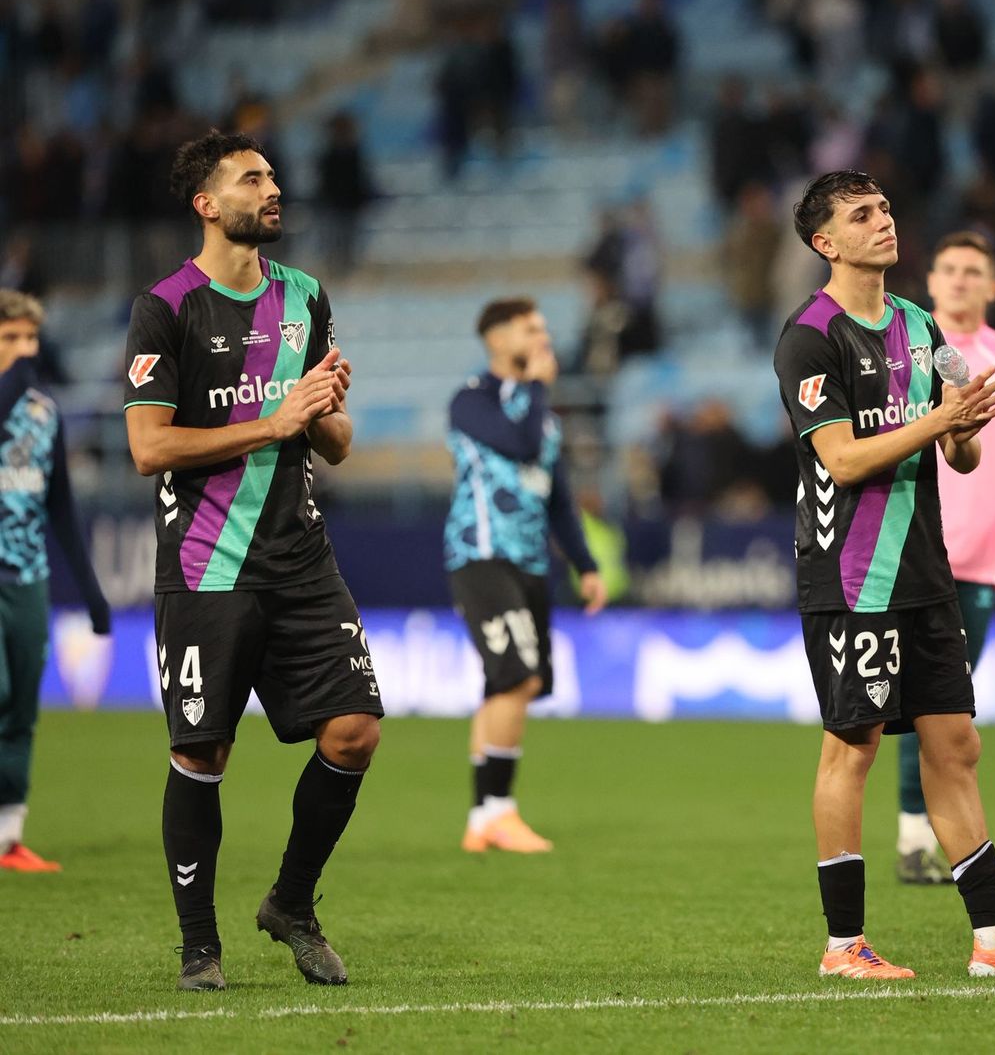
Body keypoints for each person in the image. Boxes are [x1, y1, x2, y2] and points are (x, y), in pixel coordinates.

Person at [773, 170, 995, 980]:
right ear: (826, 242)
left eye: (885, 206)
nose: (883, 221)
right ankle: (843, 945)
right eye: (861, 215)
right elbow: (842, 458)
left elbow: (962, 448)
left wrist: (962, 429)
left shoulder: (921, 325)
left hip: (925, 570)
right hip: (852, 578)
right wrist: (939, 422)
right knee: (853, 747)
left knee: (956, 745)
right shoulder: (810, 337)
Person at [123, 131, 383, 992]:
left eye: (272, 173)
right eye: (250, 178)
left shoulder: (305, 296)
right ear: (207, 204)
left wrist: (323, 410)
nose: (271, 187)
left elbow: (335, 443)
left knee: (355, 731)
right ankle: (199, 945)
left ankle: (292, 904)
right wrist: (274, 421)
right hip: (207, 565)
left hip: (302, 559)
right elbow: (149, 447)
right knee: (203, 756)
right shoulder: (166, 308)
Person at [892, 232, 995, 885]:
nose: (958, 280)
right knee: (915, 703)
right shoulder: (906, 354)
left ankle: (925, 833)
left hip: (980, 564)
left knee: (946, 707)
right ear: (930, 281)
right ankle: (913, 836)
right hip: (911, 553)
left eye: (972, 271)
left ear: (992, 285)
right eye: (949, 269)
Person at [446, 297, 606, 853]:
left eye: (544, 327)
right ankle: (499, 810)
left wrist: (585, 564)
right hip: (482, 554)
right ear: (496, 337)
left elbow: (558, 496)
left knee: (501, 685)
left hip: (532, 562)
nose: (543, 337)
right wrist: (538, 387)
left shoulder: (541, 411)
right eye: (530, 329)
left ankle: (478, 819)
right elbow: (522, 444)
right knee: (519, 678)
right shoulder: (471, 400)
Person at [0, 290, 111, 873]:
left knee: (20, 706)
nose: (24, 351)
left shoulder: (44, 412)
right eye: (10, 339)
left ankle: (8, 839)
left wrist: (92, 592)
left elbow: (62, 508)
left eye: (30, 339)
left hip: (28, 576)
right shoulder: (16, 398)